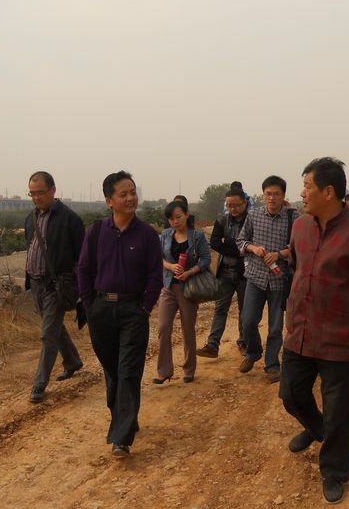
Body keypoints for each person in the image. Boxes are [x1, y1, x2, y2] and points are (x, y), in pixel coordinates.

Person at [280, 157, 349, 504]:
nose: (302, 193)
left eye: (307, 186)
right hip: (300, 330)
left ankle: (335, 471)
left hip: (339, 336)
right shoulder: (300, 227)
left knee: (339, 407)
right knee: (290, 393)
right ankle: (317, 428)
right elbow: (297, 267)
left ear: (328, 192)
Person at [77, 171, 163, 458]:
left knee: (128, 371)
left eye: (133, 192)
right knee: (113, 371)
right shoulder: (95, 232)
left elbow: (155, 275)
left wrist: (144, 308)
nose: (130, 198)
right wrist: (90, 306)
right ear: (109, 201)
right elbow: (84, 270)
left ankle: (121, 438)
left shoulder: (147, 234)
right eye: (123, 194)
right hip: (101, 310)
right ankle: (126, 418)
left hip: (132, 312)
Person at [24, 171, 85, 404]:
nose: (36, 197)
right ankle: (73, 361)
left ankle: (39, 384)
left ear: (53, 190)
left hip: (57, 285)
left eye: (40, 192)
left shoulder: (69, 219)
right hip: (36, 283)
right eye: (32, 193)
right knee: (54, 327)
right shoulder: (30, 218)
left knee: (47, 334)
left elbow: (82, 257)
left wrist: (81, 288)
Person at [236, 175, 296, 383]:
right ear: (263, 195)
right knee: (248, 320)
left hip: (279, 280)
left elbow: (297, 247)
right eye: (268, 194)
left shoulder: (293, 218)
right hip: (255, 277)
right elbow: (241, 241)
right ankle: (253, 352)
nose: (272, 198)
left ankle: (272, 365)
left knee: (275, 327)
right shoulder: (253, 216)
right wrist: (253, 248)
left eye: (276, 194)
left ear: (283, 195)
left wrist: (279, 254)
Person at [155, 201, 211, 383]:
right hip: (168, 287)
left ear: (187, 215)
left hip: (188, 289)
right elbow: (157, 258)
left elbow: (205, 260)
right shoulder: (165, 235)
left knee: (188, 329)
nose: (175, 221)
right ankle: (164, 371)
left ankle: (189, 369)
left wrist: (190, 272)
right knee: (163, 328)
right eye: (171, 219)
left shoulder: (197, 236)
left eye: (178, 217)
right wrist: (170, 266)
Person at [197, 188, 249, 358]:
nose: (233, 209)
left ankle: (244, 342)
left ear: (245, 203)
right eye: (229, 205)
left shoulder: (252, 220)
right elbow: (215, 243)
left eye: (236, 205)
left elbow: (253, 244)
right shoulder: (222, 220)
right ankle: (212, 345)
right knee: (220, 309)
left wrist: (229, 243)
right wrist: (240, 250)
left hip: (245, 273)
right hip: (225, 271)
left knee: (244, 310)